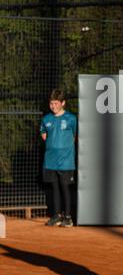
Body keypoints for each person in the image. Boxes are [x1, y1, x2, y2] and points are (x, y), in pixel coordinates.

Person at [40, 89, 77, 227]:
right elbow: (43, 134)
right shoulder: (46, 119)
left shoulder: (71, 119)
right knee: (54, 187)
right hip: (50, 160)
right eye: (51, 103)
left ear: (63, 103)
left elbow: (74, 136)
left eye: (56, 103)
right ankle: (57, 216)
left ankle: (68, 217)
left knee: (65, 187)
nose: (53, 106)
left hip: (66, 162)